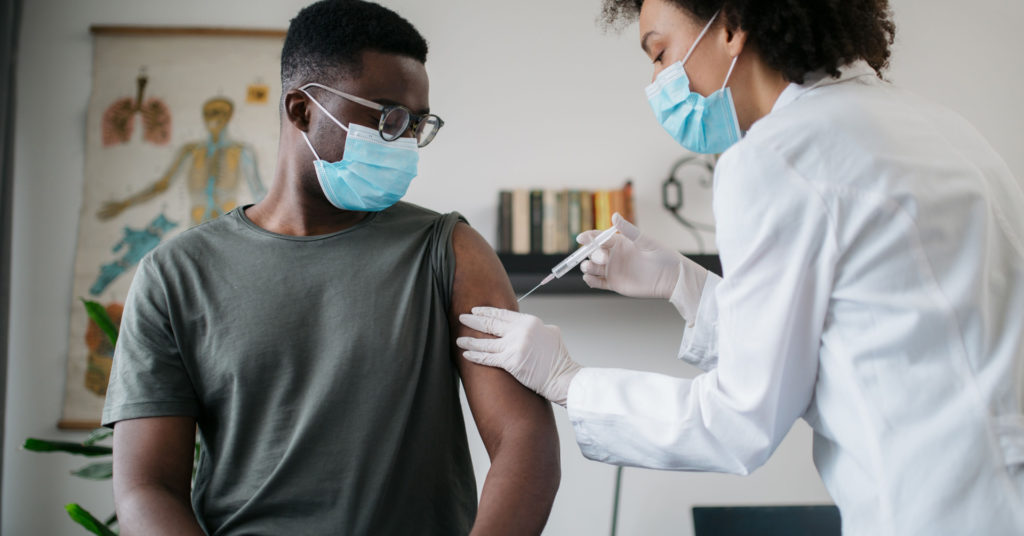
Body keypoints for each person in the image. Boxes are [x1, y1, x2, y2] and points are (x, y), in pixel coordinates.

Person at [456, 0, 1024, 534]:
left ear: (729, 25)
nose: (659, 85)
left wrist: (569, 381)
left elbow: (739, 423)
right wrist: (686, 284)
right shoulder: (941, 128)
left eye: (660, 53)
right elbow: (870, 332)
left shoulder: (776, 156)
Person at [102, 1, 560, 534]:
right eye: (387, 117)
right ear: (301, 111)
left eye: (417, 124)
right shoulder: (177, 275)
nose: (405, 141)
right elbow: (145, 486)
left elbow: (523, 442)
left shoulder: (449, 251)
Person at [98, 97, 267, 225]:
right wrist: (126, 204)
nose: (212, 119)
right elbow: (162, 185)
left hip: (229, 218)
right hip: (197, 218)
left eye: (218, 113)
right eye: (208, 114)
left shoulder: (242, 151)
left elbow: (259, 192)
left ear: (228, 117)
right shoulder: (190, 150)